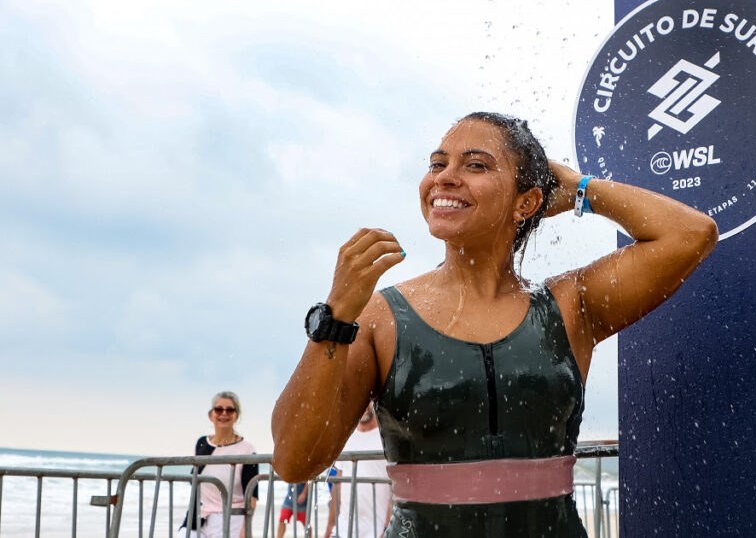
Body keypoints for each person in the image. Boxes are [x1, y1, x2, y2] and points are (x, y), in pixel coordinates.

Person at [271, 111, 718, 537]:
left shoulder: (568, 305)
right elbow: (295, 462)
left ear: (527, 201)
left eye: (476, 165)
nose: (444, 177)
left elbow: (690, 233)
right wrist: (334, 318)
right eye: (437, 164)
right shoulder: (379, 318)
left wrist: (580, 188)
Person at [179, 391, 259, 538]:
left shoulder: (247, 449)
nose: (224, 413)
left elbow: (252, 495)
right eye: (219, 409)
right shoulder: (202, 443)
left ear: (237, 416)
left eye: (229, 410)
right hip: (197, 517)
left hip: (230, 519)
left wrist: (245, 531)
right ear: (211, 415)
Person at [323, 405, 392, 538]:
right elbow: (338, 486)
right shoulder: (346, 437)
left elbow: (397, 489)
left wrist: (387, 528)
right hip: (343, 531)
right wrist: (330, 527)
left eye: (369, 399)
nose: (364, 405)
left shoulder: (387, 437)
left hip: (377, 532)